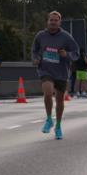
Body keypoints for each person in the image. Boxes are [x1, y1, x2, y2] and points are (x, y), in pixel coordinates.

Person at [31, 11, 80, 140]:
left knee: (59, 100)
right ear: (47, 21)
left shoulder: (66, 37)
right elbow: (34, 50)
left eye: (55, 20)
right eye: (51, 20)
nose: (53, 22)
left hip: (61, 72)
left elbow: (76, 53)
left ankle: (58, 125)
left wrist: (67, 55)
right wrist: (35, 59)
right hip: (45, 70)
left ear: (59, 22)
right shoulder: (40, 36)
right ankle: (49, 119)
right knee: (48, 92)